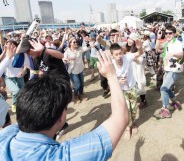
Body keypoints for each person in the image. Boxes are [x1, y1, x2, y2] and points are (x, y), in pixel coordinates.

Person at [0, 50, 128, 160]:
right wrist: (111, 75)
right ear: (61, 116)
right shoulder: (61, 156)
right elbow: (120, 118)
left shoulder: (5, 137)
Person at [110, 40, 143, 140]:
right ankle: (128, 128)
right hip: (121, 91)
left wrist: (140, 47)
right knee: (126, 109)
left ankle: (133, 123)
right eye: (116, 54)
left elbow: (139, 53)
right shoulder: (111, 65)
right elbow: (109, 80)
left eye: (120, 53)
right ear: (112, 55)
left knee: (133, 109)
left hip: (132, 87)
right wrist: (118, 82)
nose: (119, 56)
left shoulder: (127, 57)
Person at [155, 25, 183, 119]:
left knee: (163, 88)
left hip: (174, 70)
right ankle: (175, 103)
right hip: (167, 69)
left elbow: (181, 54)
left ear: (174, 34)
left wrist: (173, 54)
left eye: (170, 33)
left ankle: (165, 109)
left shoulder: (177, 43)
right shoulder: (167, 42)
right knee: (168, 88)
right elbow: (157, 49)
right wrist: (158, 38)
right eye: (166, 33)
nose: (167, 35)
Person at [64, 37, 88, 103]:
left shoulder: (79, 49)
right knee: (77, 85)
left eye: (76, 42)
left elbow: (87, 48)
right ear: (70, 43)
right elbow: (64, 59)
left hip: (80, 69)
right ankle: (76, 96)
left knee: (82, 84)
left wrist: (87, 42)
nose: (76, 43)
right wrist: (69, 59)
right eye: (74, 42)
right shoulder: (67, 51)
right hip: (73, 71)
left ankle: (81, 94)